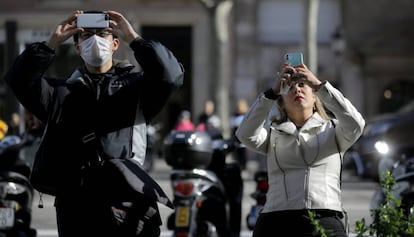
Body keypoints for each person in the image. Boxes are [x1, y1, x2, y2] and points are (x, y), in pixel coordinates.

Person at [4, 10, 184, 237]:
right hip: (76, 208)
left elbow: (171, 75)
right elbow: (19, 80)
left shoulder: (137, 88)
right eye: (86, 35)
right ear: (77, 47)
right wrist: (51, 43)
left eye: (102, 34)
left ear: (115, 43)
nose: (95, 41)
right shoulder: (59, 93)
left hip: (127, 203)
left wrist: (134, 38)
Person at [235, 62, 365, 236]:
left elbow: (356, 123)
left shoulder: (334, 131)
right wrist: (271, 93)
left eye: (303, 85)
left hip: (324, 216)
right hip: (276, 219)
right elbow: (244, 134)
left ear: (315, 97)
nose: (297, 90)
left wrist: (320, 85)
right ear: (281, 102)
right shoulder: (272, 134)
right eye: (289, 87)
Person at [230, 98, 249, 170]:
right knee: (237, 158)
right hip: (236, 140)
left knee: (243, 158)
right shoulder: (234, 116)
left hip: (243, 141)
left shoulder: (246, 115)